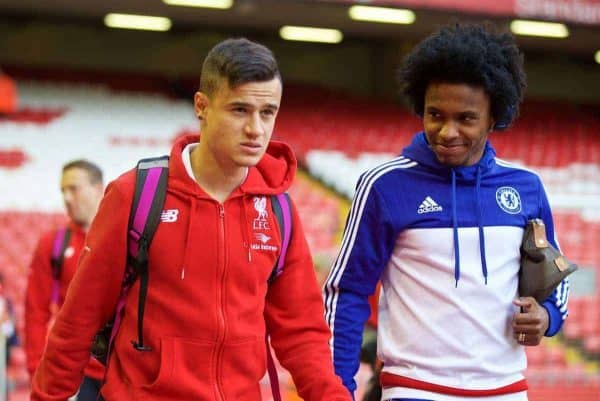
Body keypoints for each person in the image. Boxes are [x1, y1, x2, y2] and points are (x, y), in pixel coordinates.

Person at [31, 38, 351, 401]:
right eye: (240, 110)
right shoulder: (135, 194)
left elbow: (303, 334)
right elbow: (78, 321)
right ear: (202, 107)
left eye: (268, 112)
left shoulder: (278, 209)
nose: (256, 129)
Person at [323, 23, 570, 401]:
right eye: (435, 114)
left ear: (493, 117)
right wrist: (337, 390)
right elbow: (347, 293)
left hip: (505, 391)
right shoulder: (384, 186)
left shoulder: (527, 187)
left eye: (466, 119)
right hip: (414, 389)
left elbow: (556, 280)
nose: (447, 131)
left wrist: (547, 317)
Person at [25, 159, 105, 400]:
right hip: (77, 373)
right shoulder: (53, 244)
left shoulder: (128, 237)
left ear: (98, 188)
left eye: (74, 189)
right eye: (63, 191)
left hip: (125, 371)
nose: (67, 198)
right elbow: (35, 312)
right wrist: (36, 369)